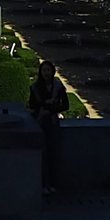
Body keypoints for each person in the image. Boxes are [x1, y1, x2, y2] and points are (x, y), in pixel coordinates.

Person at [28, 60, 68, 192]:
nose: (46, 73)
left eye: (48, 70)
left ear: (52, 72)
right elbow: (32, 105)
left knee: (53, 153)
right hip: (40, 123)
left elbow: (66, 105)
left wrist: (50, 109)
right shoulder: (35, 87)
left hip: (52, 122)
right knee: (43, 154)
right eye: (44, 70)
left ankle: (52, 184)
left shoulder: (58, 86)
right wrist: (47, 104)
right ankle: (44, 184)